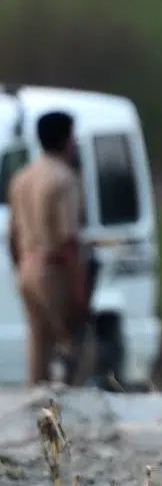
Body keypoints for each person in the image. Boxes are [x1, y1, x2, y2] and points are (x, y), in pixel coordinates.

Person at [8, 110, 86, 386]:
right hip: (52, 269)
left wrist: (21, 266)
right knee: (76, 347)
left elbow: (12, 234)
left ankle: (37, 420)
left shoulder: (22, 178)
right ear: (66, 139)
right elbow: (67, 242)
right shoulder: (63, 179)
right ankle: (74, 418)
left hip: (26, 267)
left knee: (38, 347)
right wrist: (78, 291)